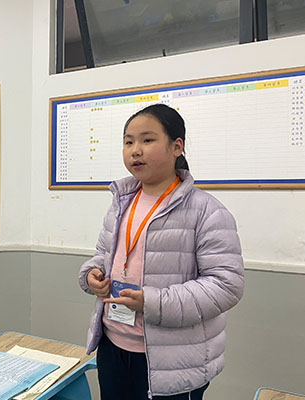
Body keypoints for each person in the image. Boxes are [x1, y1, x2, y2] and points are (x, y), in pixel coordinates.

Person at [78, 104, 244, 399]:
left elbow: (226, 286)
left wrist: (152, 302)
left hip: (173, 361)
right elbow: (103, 255)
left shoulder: (207, 211)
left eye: (147, 140)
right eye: (128, 142)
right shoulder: (120, 204)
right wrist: (92, 274)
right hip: (112, 347)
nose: (135, 150)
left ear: (176, 146)